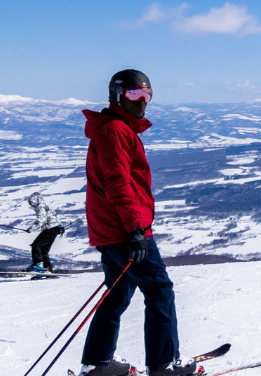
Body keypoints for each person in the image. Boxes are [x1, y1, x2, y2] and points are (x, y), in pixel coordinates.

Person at [77, 69, 194, 376]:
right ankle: (163, 366)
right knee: (159, 290)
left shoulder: (117, 129)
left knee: (117, 293)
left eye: (147, 95)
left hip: (111, 229)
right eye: (133, 94)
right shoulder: (115, 130)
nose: (142, 101)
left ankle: (97, 363)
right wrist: (135, 230)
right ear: (117, 96)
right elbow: (118, 183)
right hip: (124, 230)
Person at [22, 192, 65, 272]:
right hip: (56, 229)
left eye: (30, 202)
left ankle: (37, 264)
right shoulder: (46, 206)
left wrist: (31, 228)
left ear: (35, 200)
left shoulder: (41, 206)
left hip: (50, 229)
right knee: (44, 250)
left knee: (36, 245)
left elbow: (41, 219)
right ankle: (47, 270)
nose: (30, 204)